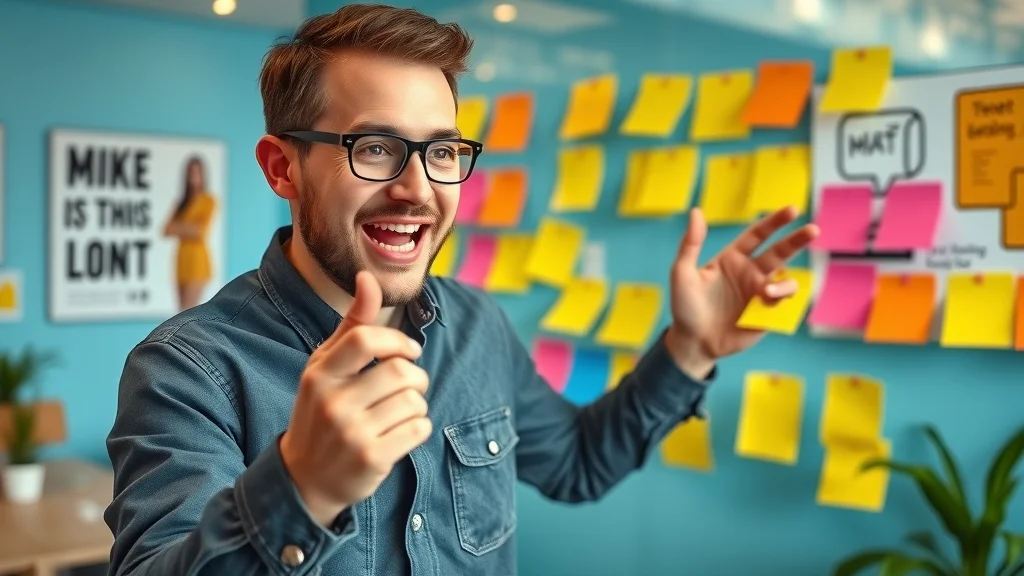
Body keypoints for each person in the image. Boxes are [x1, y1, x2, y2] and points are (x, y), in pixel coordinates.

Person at [104, 4, 818, 576]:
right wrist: (301, 489)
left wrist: (690, 350)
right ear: (282, 169)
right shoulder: (188, 369)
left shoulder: (475, 323)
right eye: (375, 148)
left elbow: (577, 463)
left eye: (442, 151)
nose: (417, 189)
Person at [162, 156, 217, 311]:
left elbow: (199, 232)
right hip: (181, 260)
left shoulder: (208, 200)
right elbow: (166, 230)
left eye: (197, 172)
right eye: (191, 172)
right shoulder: (181, 203)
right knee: (180, 310)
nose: (194, 176)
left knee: (188, 310)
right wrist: (189, 228)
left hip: (197, 261)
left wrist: (179, 227)